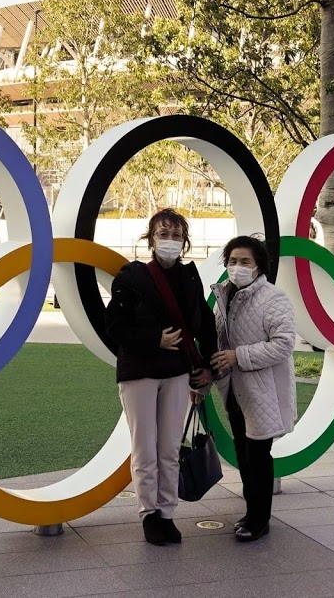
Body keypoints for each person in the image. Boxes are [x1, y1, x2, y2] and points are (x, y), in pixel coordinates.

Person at [105, 208, 216, 546]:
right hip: (139, 372)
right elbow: (115, 326)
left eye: (176, 235)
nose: (170, 241)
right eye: (163, 234)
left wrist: (207, 367)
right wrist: (155, 338)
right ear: (151, 238)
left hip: (177, 373)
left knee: (169, 448)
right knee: (145, 449)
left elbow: (206, 323)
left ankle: (167, 513)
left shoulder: (190, 277)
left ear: (185, 241)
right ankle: (149, 514)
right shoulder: (131, 276)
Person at [197, 235, 296, 542]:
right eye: (232, 261)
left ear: (258, 267)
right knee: (243, 453)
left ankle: (259, 519)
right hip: (235, 392)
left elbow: (284, 344)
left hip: (262, 392)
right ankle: (252, 512)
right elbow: (219, 343)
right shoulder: (224, 295)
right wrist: (210, 375)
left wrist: (238, 356)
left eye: (245, 262)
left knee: (258, 455)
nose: (237, 267)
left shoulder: (274, 298)